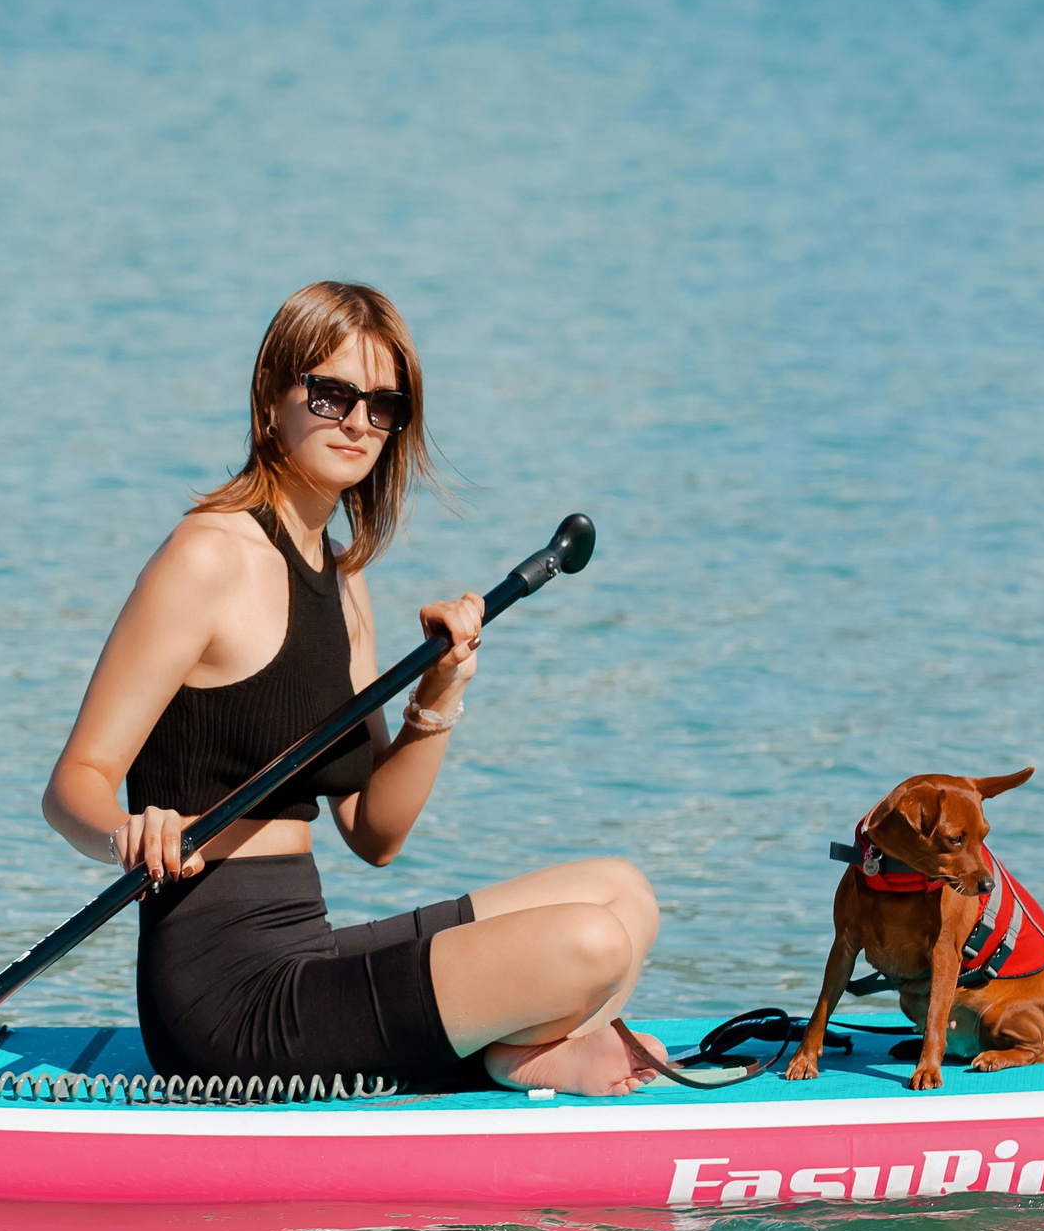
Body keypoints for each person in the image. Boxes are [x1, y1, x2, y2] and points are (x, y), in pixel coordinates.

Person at [43, 282, 666, 1097]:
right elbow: (72, 787)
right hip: (223, 1004)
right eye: (332, 394)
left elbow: (374, 831)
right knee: (589, 943)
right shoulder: (208, 556)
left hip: (309, 956)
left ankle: (511, 1051)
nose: (358, 422)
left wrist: (440, 692)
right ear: (274, 400)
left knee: (624, 895)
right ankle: (511, 1052)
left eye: (382, 405)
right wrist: (133, 830)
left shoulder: (346, 584)